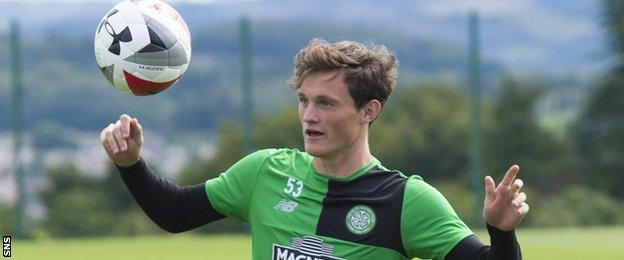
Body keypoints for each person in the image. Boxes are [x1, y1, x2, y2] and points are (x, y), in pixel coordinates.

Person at [100, 38, 528, 260]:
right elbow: (174, 213)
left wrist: (501, 231)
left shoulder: (407, 201)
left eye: (326, 103)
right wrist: (131, 164)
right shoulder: (264, 172)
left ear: (369, 110)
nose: (309, 116)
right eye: (304, 101)